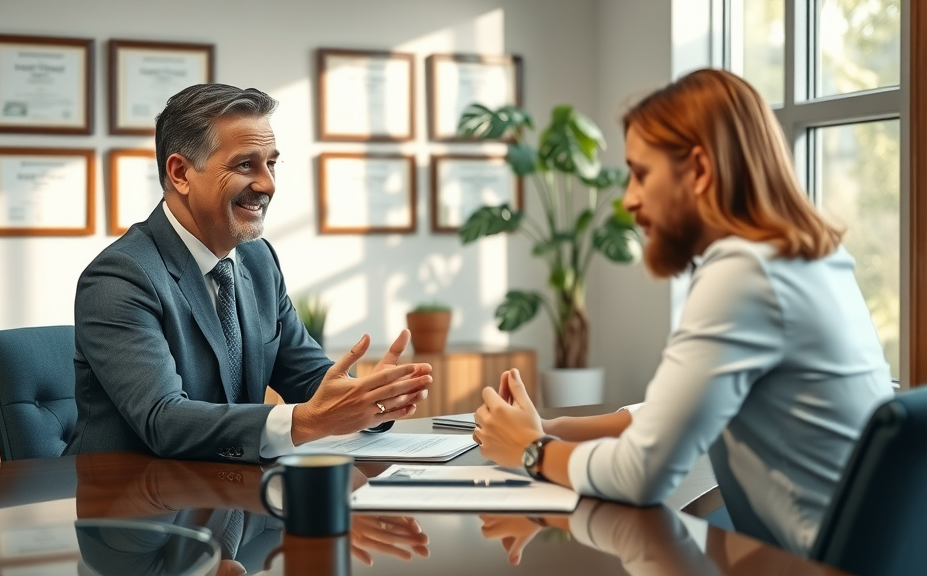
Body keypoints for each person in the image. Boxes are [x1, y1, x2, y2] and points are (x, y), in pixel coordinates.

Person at [472, 68, 893, 557]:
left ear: (699, 170)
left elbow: (641, 476)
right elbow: (689, 406)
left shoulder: (744, 272)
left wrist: (533, 451)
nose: (629, 199)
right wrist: (553, 428)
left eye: (641, 173)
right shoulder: (804, 260)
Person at [64, 84, 432, 463]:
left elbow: (307, 378)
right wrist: (307, 422)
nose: (268, 184)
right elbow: (164, 420)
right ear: (180, 173)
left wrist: (369, 402)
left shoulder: (257, 260)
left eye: (271, 163)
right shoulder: (120, 277)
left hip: (230, 494)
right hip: (133, 502)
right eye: (245, 165)